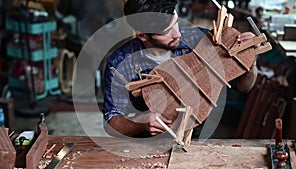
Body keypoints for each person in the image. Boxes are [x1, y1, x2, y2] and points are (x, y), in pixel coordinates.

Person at [102, 0, 257, 138]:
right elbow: (111, 124)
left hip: (195, 136)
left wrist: (249, 58)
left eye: (175, 22)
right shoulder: (120, 63)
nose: (177, 34)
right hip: (146, 140)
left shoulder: (201, 41)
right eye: (166, 31)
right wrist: (141, 122)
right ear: (143, 36)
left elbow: (244, 87)